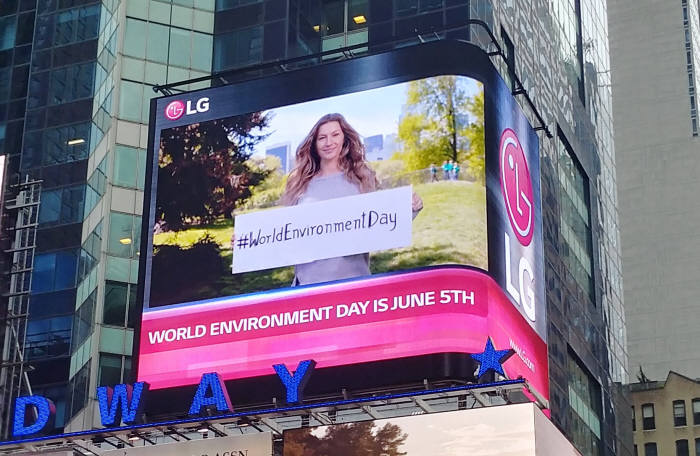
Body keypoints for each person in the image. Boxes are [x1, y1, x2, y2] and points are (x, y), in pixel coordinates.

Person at [280, 113, 423, 286]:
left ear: (344, 138)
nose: (328, 142)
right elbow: (282, 233)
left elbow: (383, 220)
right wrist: (247, 242)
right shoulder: (300, 184)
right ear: (314, 143)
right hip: (309, 283)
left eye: (335, 135)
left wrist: (410, 208)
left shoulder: (362, 179)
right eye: (322, 137)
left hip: (354, 281)